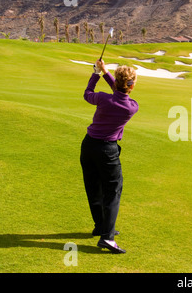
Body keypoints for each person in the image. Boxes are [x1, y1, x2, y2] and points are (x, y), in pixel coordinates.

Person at [80, 60, 139, 254]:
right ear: (131, 85)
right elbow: (119, 91)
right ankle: (107, 238)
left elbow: (88, 94)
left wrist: (97, 73)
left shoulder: (104, 99)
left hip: (88, 146)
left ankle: (100, 226)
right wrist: (105, 73)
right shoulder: (131, 107)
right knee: (113, 191)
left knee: (93, 186)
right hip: (108, 151)